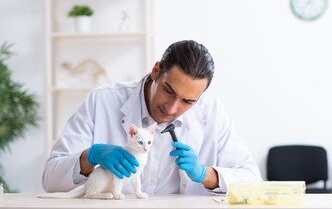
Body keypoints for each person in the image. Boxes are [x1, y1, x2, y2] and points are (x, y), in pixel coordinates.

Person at [42, 40, 262, 194]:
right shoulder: (101, 101)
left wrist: (206, 174)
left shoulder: (212, 113)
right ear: (156, 70)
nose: (172, 108)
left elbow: (252, 180)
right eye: (168, 90)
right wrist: (90, 157)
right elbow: (50, 180)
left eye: (188, 101)